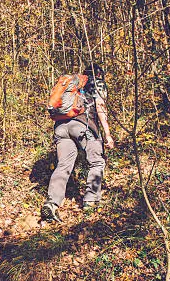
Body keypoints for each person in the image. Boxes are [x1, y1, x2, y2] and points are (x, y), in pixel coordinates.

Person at [41, 65, 115, 222]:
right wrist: (107, 134)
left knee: (63, 165)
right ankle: (91, 201)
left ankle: (52, 203)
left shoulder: (75, 86)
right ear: (100, 74)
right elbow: (100, 108)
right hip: (83, 126)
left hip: (61, 128)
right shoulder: (97, 83)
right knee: (97, 162)